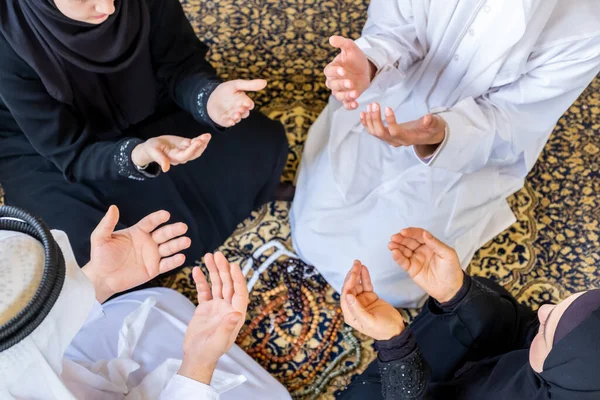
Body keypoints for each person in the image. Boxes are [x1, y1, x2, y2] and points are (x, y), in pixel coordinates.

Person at [290, 0, 600, 307]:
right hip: (386, 100)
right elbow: (395, 25)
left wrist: (438, 134)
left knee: (385, 275)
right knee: (311, 231)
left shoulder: (588, 26)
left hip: (469, 146)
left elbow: (512, 119)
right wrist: (370, 63)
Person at [0, 0, 288, 266]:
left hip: (150, 102)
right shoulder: (7, 39)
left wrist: (208, 99)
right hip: (51, 149)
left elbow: (180, 64)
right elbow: (70, 152)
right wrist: (136, 155)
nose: (108, 7)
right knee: (80, 252)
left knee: (261, 143)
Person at [0, 205, 291, 399]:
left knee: (160, 307)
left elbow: (41, 327)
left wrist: (99, 280)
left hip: (78, 373)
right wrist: (197, 366)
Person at [337, 227, 600, 399]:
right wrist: (456, 293)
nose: (543, 308)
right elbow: (524, 329)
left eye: (547, 327)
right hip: (486, 374)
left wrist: (396, 347)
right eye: (556, 306)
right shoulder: (579, 375)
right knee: (479, 303)